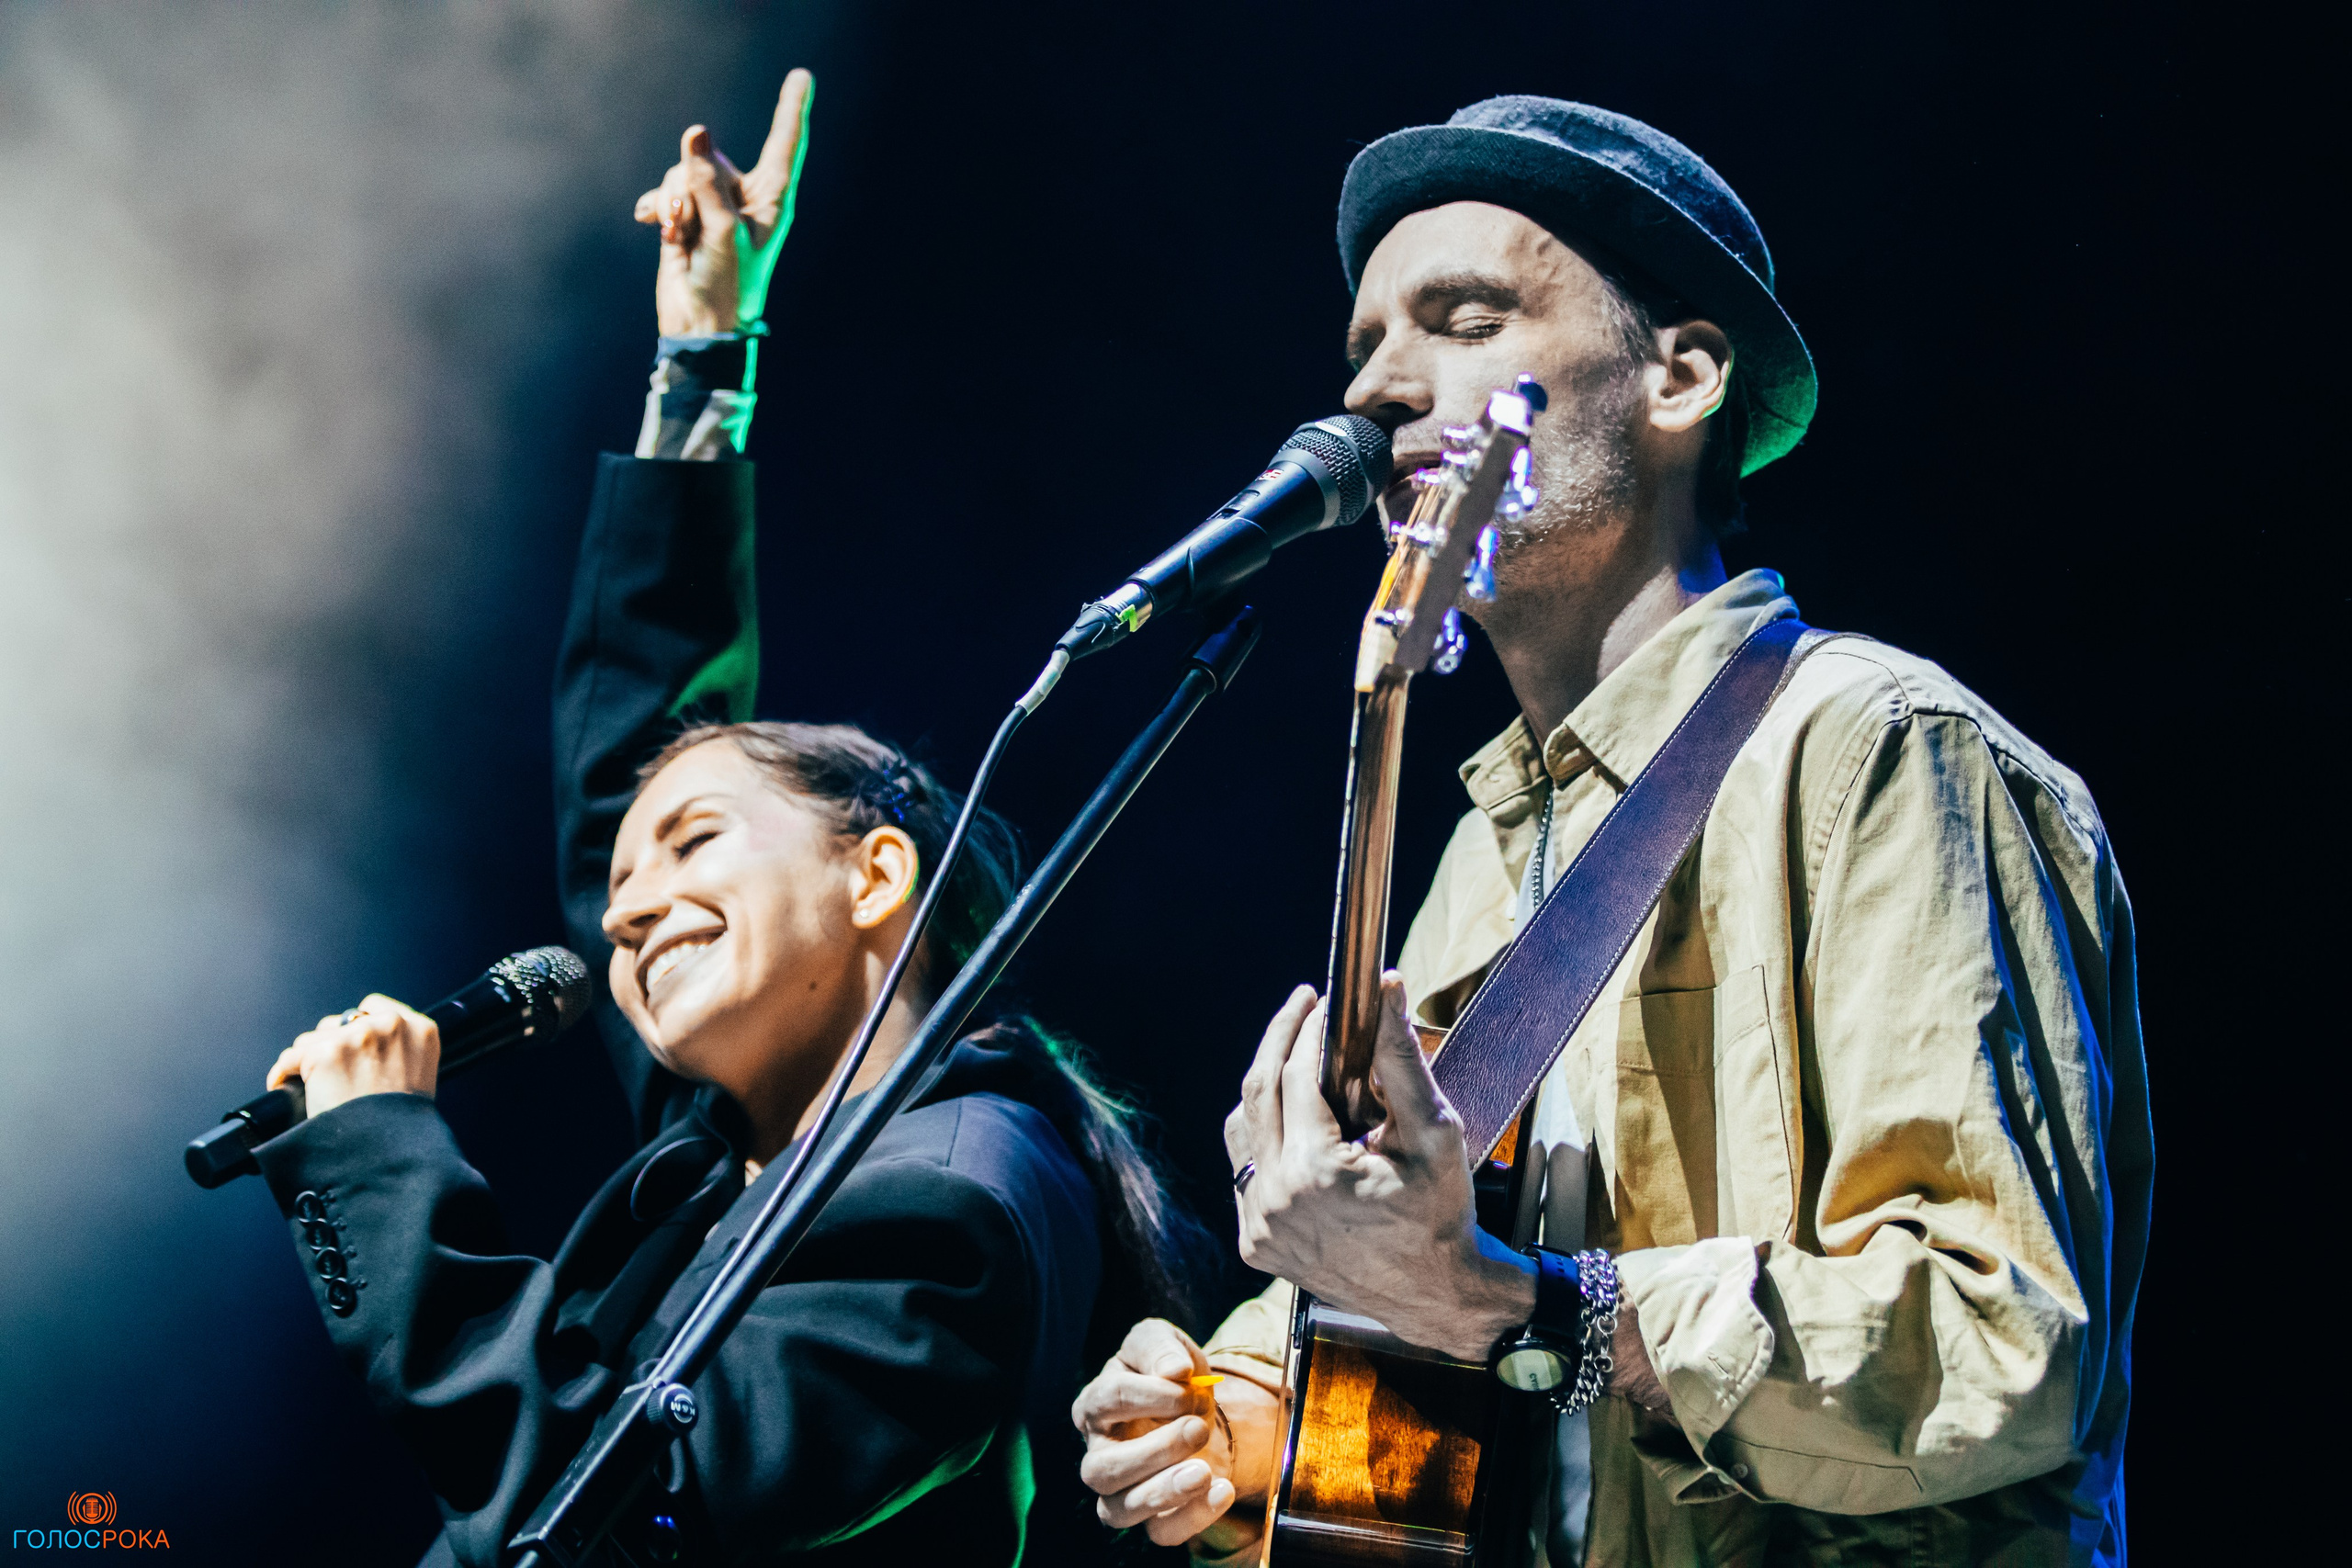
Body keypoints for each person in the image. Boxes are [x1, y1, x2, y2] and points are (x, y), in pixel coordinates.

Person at [1073, 96, 2150, 1566]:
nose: (1380, 389)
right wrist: (1253, 1408)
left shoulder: (1877, 752)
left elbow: (1999, 1346)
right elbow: (1441, 1335)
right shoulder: (1472, 855)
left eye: (1461, 318)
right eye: (1365, 347)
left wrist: (1533, 1316)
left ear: (1680, 376)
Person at [256, 70, 1202, 1565]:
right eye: (628, 885)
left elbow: (597, 1509)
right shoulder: (742, 1143)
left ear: (878, 874)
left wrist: (381, 1156)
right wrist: (703, 359)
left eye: (696, 847)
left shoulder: (945, 1209)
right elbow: (624, 763)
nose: (626, 909)